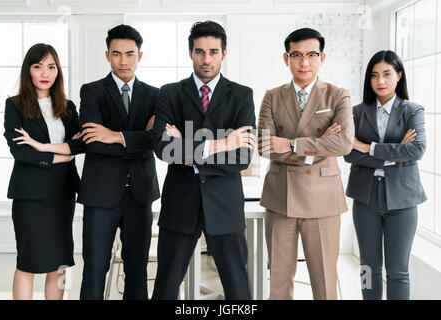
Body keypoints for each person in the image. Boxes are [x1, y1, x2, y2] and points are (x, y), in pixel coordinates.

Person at [151, 20, 256, 300]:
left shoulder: (242, 95)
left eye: (213, 51)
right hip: (179, 203)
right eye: (199, 51)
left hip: (225, 204)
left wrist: (187, 149)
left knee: (237, 288)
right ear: (190, 53)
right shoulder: (170, 93)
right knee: (165, 287)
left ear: (224, 53)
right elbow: (163, 149)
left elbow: (242, 157)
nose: (206, 59)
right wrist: (222, 143)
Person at [257, 27, 354, 300]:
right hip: (280, 198)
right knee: (277, 279)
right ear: (286, 59)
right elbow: (266, 146)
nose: (304, 62)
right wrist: (320, 142)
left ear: (322, 58)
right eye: (296, 55)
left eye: (312, 54)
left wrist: (290, 144)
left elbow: (344, 144)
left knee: (324, 281)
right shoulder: (272, 96)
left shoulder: (337, 95)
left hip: (322, 199)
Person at [78, 24, 159, 300]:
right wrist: (138, 139)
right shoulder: (92, 92)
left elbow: (156, 141)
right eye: (116, 54)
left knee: (137, 269)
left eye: (129, 54)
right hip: (100, 193)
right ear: (107, 55)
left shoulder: (156, 95)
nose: (123, 61)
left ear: (140, 55)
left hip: (139, 194)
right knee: (95, 268)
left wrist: (114, 136)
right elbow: (92, 142)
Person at [3, 43, 85, 300]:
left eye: (51, 66)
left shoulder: (68, 107)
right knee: (28, 262)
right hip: (30, 195)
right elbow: (22, 152)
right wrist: (61, 155)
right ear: (29, 70)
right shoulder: (15, 105)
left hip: (62, 194)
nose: (44, 72)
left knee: (58, 263)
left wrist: (43, 147)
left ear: (58, 71)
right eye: (38, 66)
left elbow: (80, 143)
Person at [344, 50, 426, 300]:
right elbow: (349, 153)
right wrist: (397, 151)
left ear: (399, 76)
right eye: (374, 75)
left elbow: (417, 149)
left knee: (398, 271)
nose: (380, 81)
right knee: (368, 267)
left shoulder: (412, 110)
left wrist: (369, 147)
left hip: (402, 201)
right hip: (366, 199)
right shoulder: (357, 112)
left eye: (387, 74)